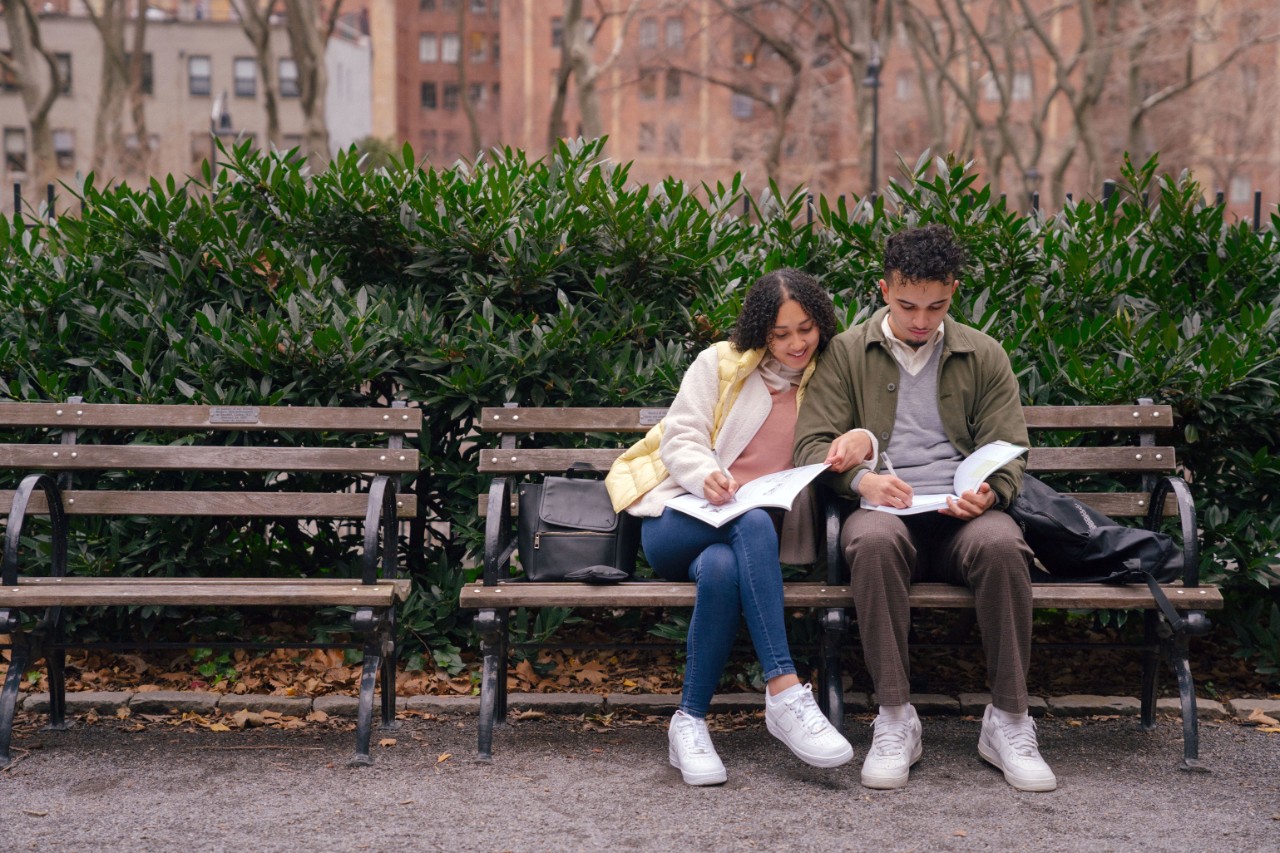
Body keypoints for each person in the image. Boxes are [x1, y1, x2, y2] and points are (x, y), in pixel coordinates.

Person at [792, 224, 1057, 793]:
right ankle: (895, 718)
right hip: (886, 512)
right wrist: (863, 482)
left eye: (936, 306)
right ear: (884, 289)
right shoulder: (845, 353)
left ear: (953, 292)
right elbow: (812, 446)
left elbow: (1009, 446)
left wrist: (991, 491)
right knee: (872, 541)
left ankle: (1008, 720)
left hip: (964, 515)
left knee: (1005, 545)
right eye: (908, 304)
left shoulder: (983, 354)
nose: (921, 319)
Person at [605, 269, 873, 786]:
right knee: (747, 522)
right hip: (680, 522)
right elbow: (681, 435)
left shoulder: (831, 372)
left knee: (726, 565)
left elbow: (863, 431)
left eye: (805, 328)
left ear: (821, 323)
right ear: (759, 332)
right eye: (780, 333)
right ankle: (785, 689)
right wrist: (705, 474)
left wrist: (861, 440)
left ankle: (689, 722)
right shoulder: (722, 364)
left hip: (747, 541)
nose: (796, 343)